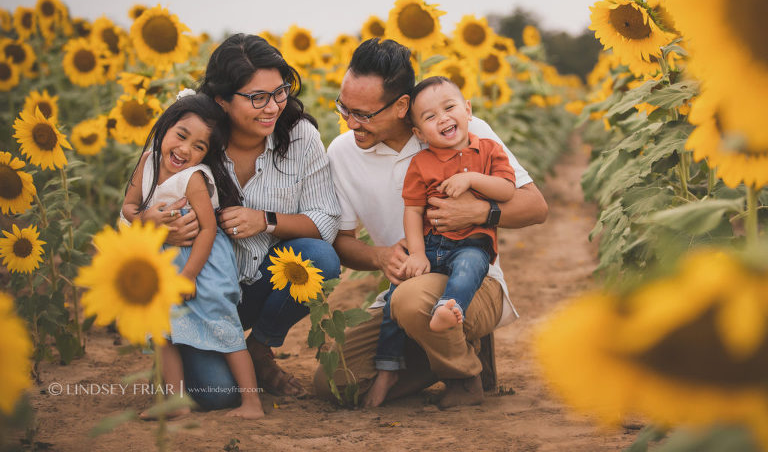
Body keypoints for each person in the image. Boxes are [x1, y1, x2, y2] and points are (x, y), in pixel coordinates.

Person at [314, 38, 548, 409]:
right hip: (404, 289)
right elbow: (342, 243)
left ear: (401, 106)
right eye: (344, 108)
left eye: (363, 114)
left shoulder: (462, 129)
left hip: (474, 281)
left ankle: (464, 375)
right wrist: (380, 256)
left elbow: (535, 207)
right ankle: (449, 352)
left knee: (411, 299)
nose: (349, 122)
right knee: (336, 382)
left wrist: (479, 213)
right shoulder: (342, 153)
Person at [140, 34, 341, 407]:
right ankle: (181, 354)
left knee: (320, 259)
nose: (273, 107)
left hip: (260, 283)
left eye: (280, 92)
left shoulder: (300, 136)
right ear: (221, 100)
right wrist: (150, 221)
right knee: (220, 396)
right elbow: (137, 202)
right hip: (198, 291)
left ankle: (259, 347)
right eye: (257, 98)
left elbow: (326, 221)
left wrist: (264, 220)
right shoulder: (189, 129)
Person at [372, 75, 518, 404]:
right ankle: (387, 366)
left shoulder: (489, 150)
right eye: (430, 117)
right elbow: (412, 211)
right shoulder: (420, 164)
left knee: (468, 269)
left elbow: (508, 191)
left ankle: (447, 311)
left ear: (468, 110)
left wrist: (471, 179)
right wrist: (418, 254)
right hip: (433, 246)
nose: (443, 118)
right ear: (419, 134)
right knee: (395, 298)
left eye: (449, 107)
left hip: (471, 244)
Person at [122, 93, 264, 418]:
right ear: (164, 127)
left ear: (206, 155)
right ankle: (176, 404)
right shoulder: (147, 162)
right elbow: (129, 207)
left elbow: (208, 230)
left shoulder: (194, 178)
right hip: (161, 262)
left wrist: (188, 276)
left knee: (223, 325)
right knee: (163, 330)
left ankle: (252, 403)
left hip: (202, 266)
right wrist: (147, 219)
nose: (186, 149)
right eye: (181, 135)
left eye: (199, 146)